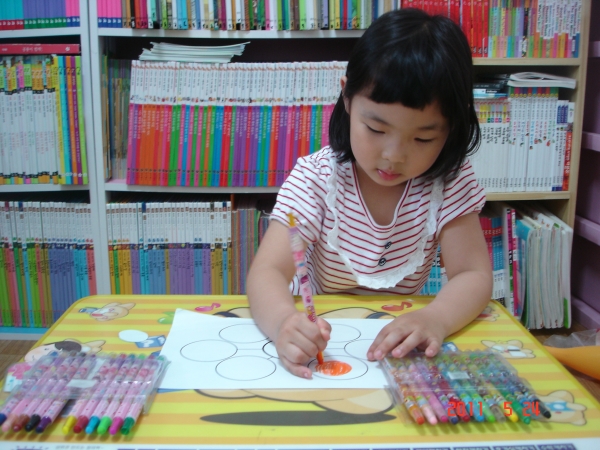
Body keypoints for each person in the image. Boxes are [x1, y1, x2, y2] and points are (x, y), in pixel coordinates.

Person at [247, 8, 493, 379]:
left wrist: (436, 318)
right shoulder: (316, 178)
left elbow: (472, 274)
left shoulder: (449, 183)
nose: (394, 156)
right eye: (376, 129)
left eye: (423, 138)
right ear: (347, 97)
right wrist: (283, 321)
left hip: (395, 349)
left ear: (451, 128)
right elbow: (266, 271)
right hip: (320, 339)